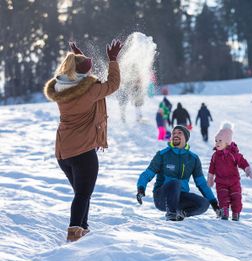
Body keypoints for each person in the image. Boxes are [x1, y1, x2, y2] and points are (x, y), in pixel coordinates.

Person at [43, 40, 123, 241]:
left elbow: (82, 77)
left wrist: (78, 58)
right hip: (82, 153)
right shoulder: (89, 92)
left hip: (63, 153)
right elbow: (112, 84)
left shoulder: (62, 87)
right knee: (82, 194)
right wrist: (112, 59)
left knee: (82, 193)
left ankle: (83, 229)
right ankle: (75, 232)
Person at [136, 125, 220, 221]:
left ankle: (181, 214)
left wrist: (214, 203)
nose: (175, 135)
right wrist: (141, 189)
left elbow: (201, 183)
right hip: (162, 198)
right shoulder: (162, 154)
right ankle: (171, 214)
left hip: (180, 197)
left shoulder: (193, 158)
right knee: (175, 183)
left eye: (179, 133)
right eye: (174, 133)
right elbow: (147, 174)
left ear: (186, 138)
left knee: (204, 203)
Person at [207, 123, 252, 221]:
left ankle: (236, 213)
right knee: (222, 197)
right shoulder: (215, 156)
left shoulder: (234, 154)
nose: (217, 143)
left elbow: (242, 161)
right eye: (216, 141)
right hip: (221, 182)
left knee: (236, 197)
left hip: (234, 181)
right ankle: (224, 211)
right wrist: (210, 178)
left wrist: (248, 170)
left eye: (220, 141)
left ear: (227, 142)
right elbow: (211, 168)